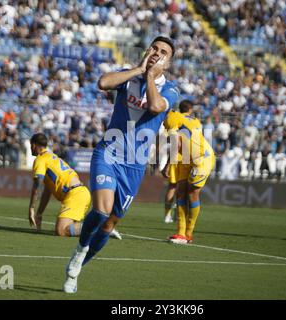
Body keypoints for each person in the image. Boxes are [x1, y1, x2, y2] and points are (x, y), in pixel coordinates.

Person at [63, 36, 179, 293]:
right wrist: (139, 70)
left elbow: (157, 106)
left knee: (109, 223)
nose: (157, 54)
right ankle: (80, 249)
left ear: (168, 62)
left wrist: (150, 76)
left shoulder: (170, 89)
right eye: (154, 49)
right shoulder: (130, 78)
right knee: (102, 210)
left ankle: (80, 266)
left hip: (134, 166)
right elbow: (103, 82)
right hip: (108, 154)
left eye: (163, 53)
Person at [28, 133, 122, 239]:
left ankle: (103, 228)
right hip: (80, 193)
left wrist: (31, 208)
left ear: (34, 145)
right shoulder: (52, 157)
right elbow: (47, 191)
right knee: (67, 229)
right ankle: (97, 228)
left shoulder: (40, 159)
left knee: (61, 230)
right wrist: (39, 214)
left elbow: (37, 184)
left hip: (74, 194)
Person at [162, 100, 215, 244]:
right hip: (187, 157)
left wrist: (168, 164)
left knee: (192, 194)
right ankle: (180, 233)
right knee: (180, 191)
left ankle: (188, 234)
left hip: (201, 158)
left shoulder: (172, 117)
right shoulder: (192, 119)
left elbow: (176, 143)